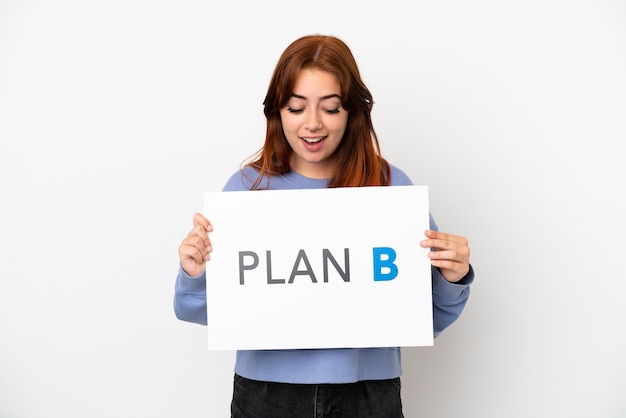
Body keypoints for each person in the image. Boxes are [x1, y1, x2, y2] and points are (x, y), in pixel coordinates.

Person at [174, 34, 474, 418]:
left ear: (352, 111)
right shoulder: (246, 189)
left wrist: (453, 277)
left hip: (367, 393)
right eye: (296, 108)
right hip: (266, 395)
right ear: (276, 112)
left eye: (330, 108)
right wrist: (194, 272)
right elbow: (198, 311)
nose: (312, 124)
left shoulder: (390, 186)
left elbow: (424, 318)